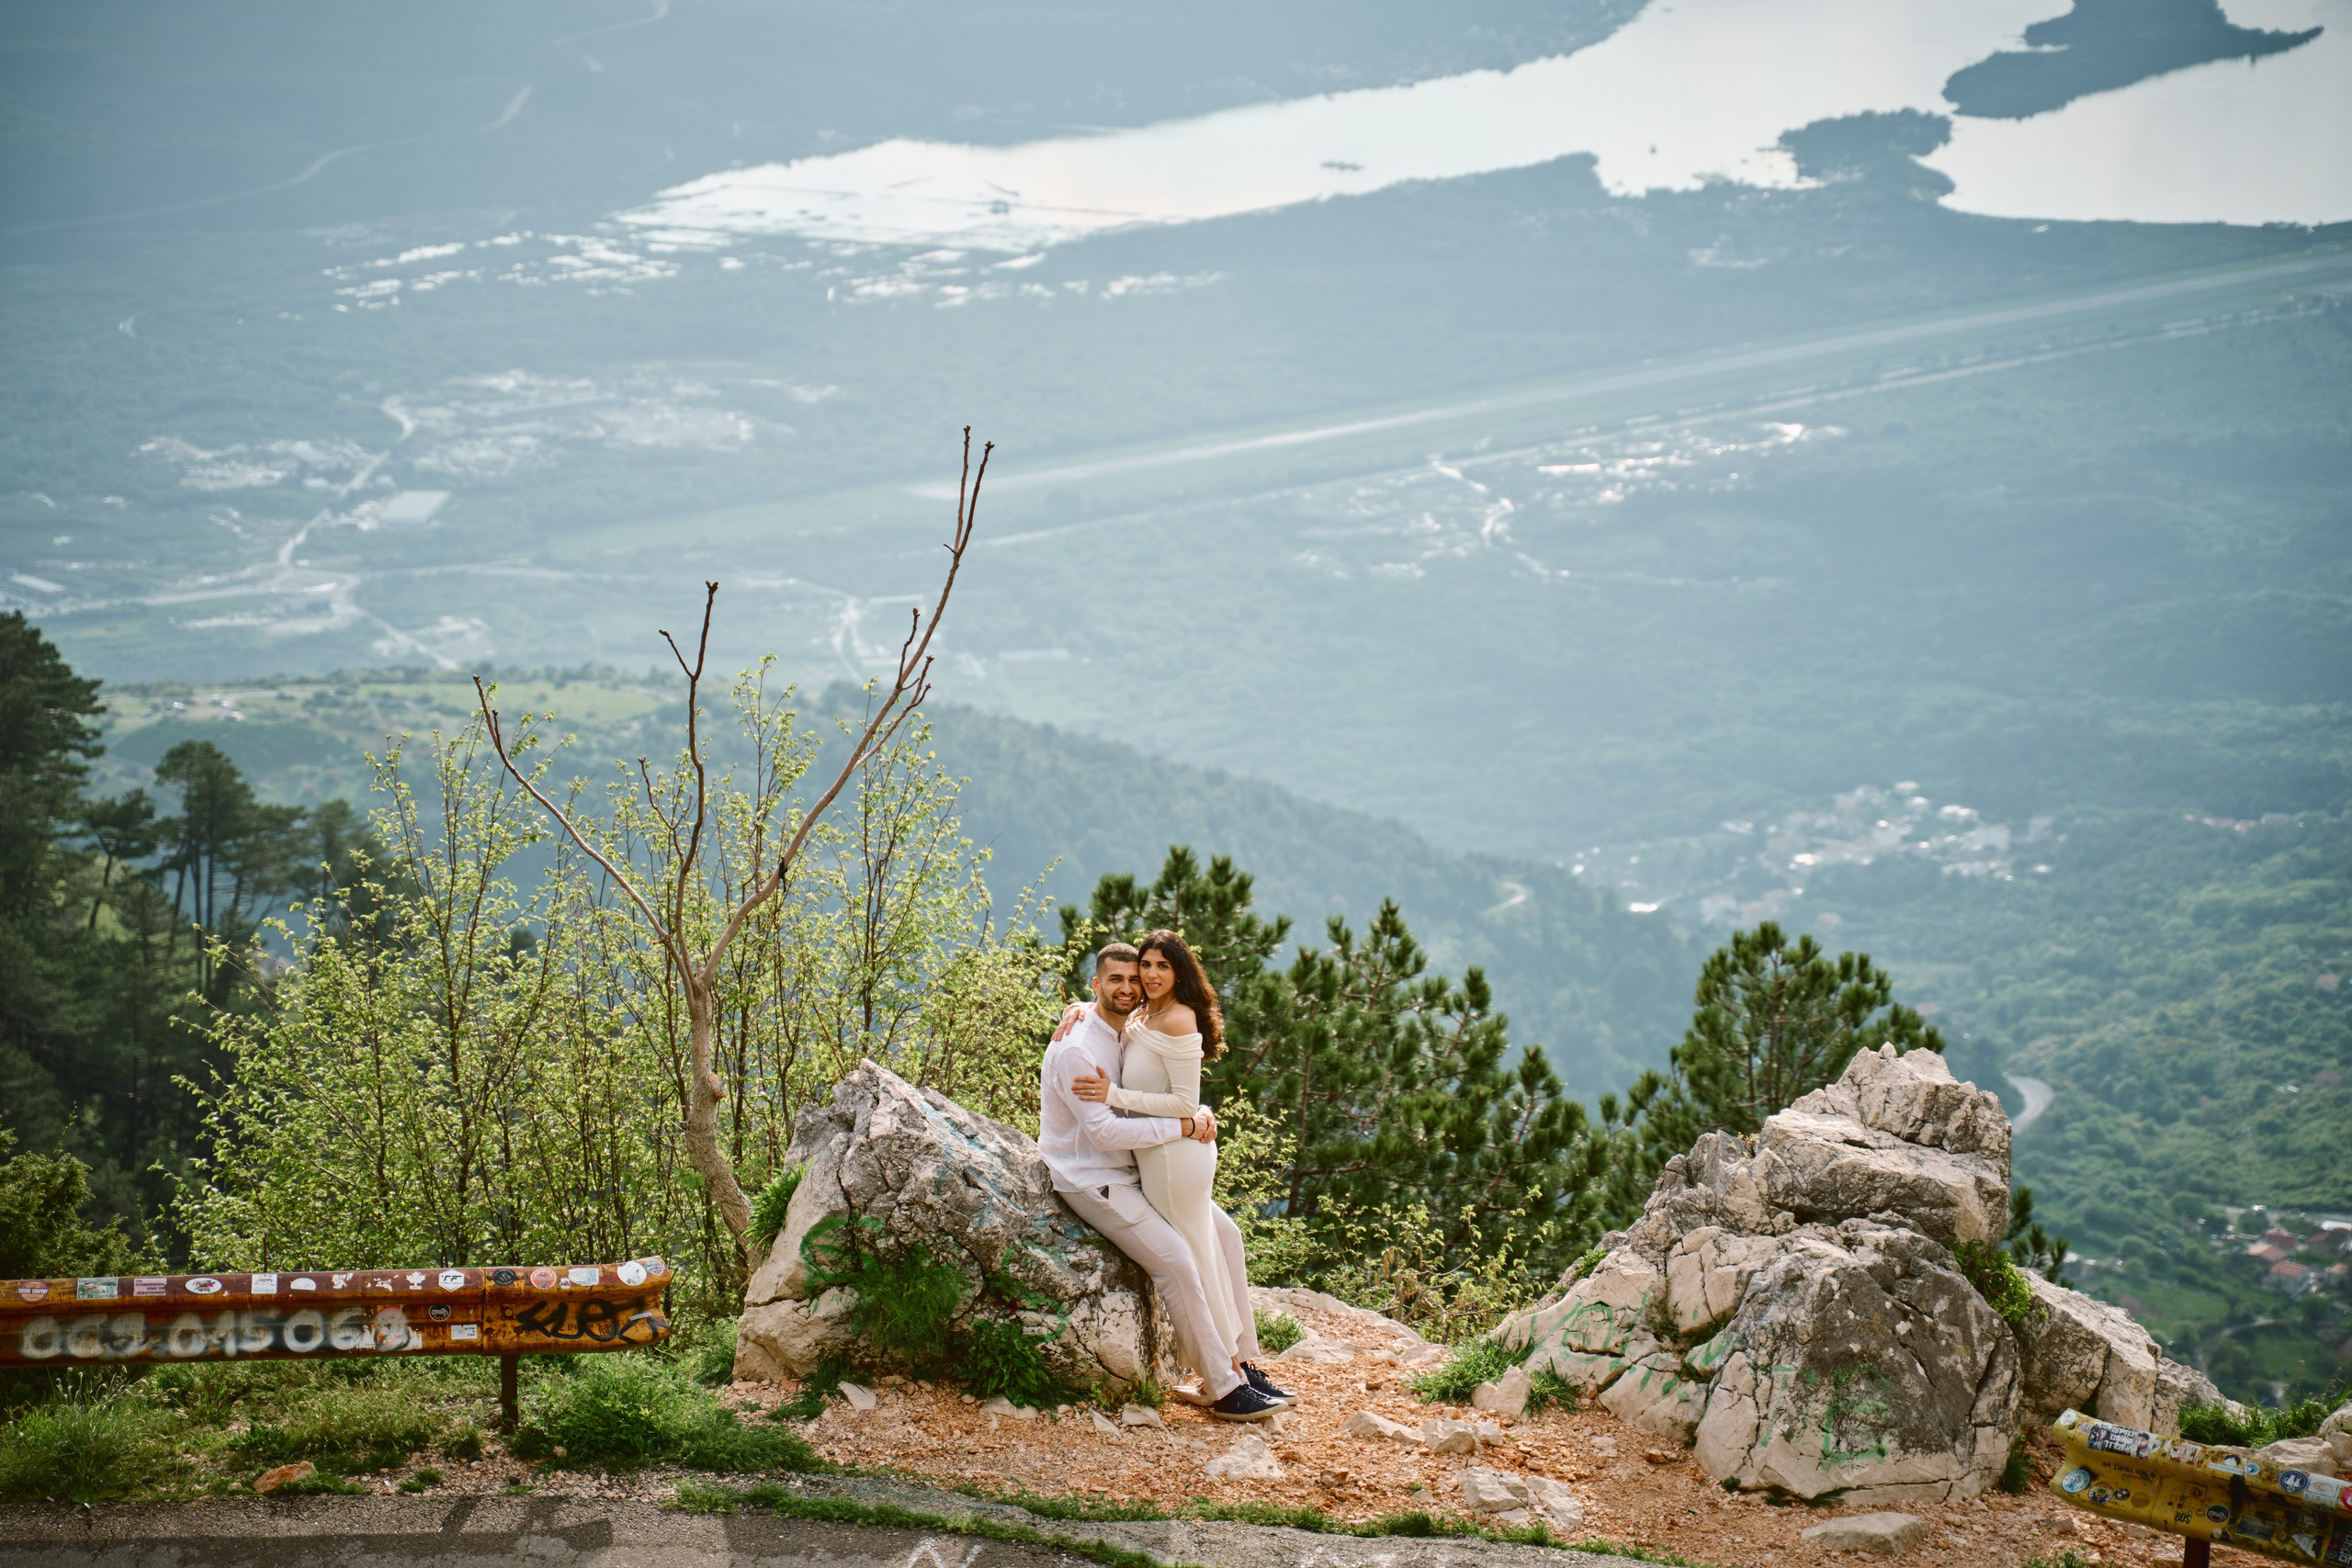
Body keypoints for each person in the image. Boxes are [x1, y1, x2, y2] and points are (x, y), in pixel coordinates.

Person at [1038, 941, 1287, 1421]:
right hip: (1092, 1179)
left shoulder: (1122, 1027)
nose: (1130, 986)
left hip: (1137, 1169)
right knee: (1177, 1262)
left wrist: (1194, 1112)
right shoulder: (1077, 1049)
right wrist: (1184, 1125)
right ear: (1096, 984)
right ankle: (1222, 1387)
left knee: (1227, 1235)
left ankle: (1241, 1364)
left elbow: (1161, 1089)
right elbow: (1106, 1130)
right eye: (1116, 979)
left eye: (1136, 978)